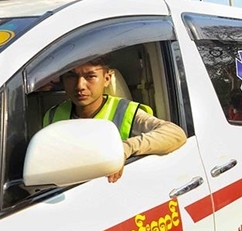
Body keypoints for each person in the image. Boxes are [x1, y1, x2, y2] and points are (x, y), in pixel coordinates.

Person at [43, 57, 186, 183]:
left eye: (90, 76)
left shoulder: (125, 112)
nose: (80, 85)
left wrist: (125, 148)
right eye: (71, 76)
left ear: (107, 79)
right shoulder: (53, 115)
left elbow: (176, 134)